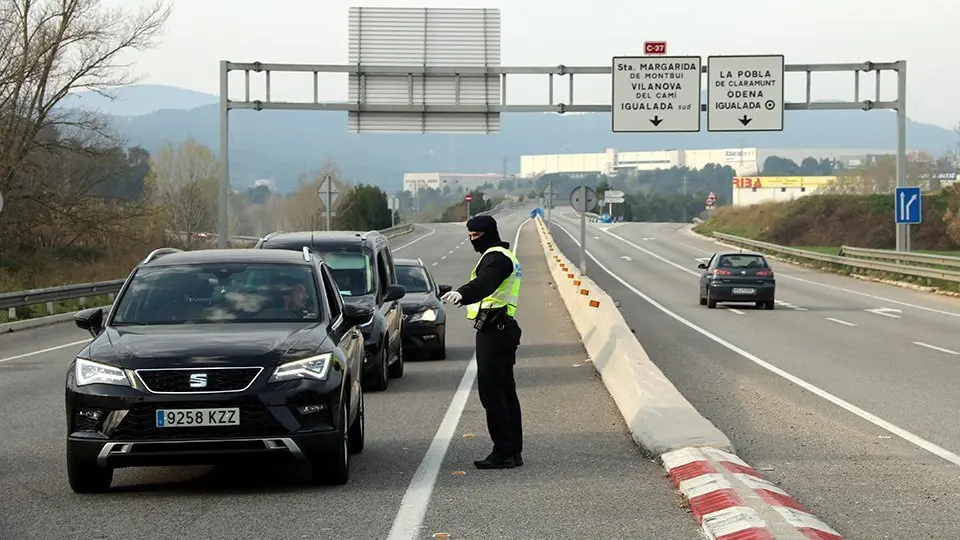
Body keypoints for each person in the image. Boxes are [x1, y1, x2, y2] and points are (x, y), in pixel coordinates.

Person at [440, 215, 524, 470]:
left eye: (475, 236)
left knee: (493, 394)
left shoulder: (496, 258)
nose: (472, 241)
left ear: (487, 234)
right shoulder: (503, 256)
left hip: (495, 329)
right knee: (506, 392)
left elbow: (485, 284)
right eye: (469, 236)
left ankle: (503, 453)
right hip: (501, 327)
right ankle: (513, 452)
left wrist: (462, 294)